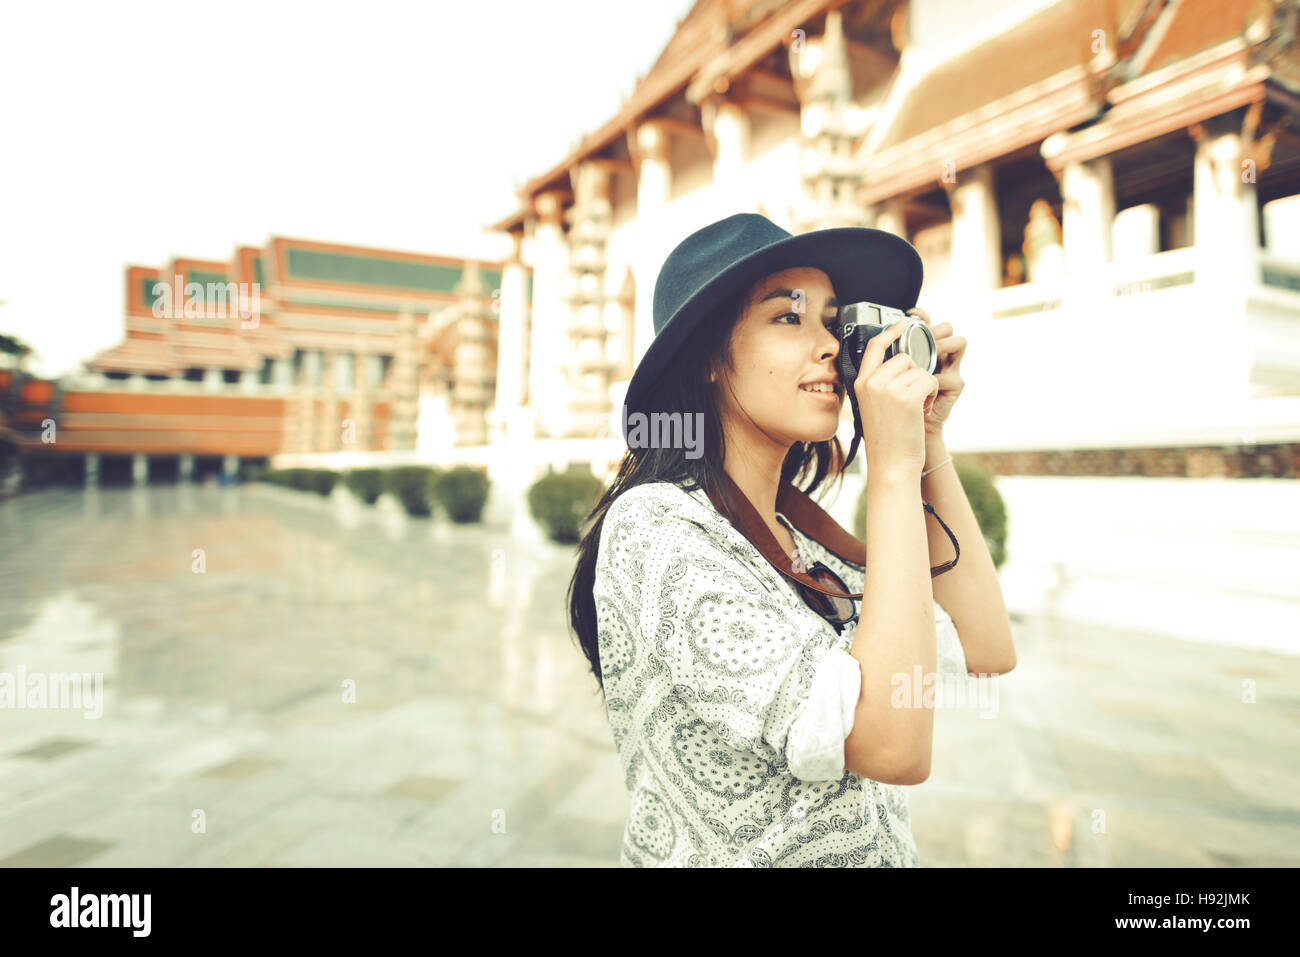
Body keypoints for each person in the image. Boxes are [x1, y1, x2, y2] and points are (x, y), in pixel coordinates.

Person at [566, 213, 1016, 867]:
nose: (831, 344)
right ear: (709, 358)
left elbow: (986, 647)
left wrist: (926, 442)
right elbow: (892, 746)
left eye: (834, 321)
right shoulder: (657, 530)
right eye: (789, 318)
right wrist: (888, 468)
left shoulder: (804, 537)